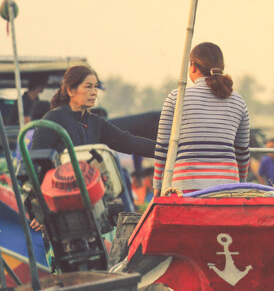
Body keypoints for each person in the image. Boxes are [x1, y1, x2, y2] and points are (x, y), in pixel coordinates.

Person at [153, 42, 250, 194]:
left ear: (192, 66)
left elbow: (162, 149)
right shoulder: (238, 101)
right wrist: (240, 186)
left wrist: (158, 188)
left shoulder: (176, 97)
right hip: (228, 189)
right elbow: (242, 153)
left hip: (183, 189)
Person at [30, 66, 156, 166]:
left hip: (90, 190)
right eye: (88, 87)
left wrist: (167, 150)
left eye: (95, 87)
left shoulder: (96, 123)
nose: (94, 92)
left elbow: (129, 142)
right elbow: (36, 160)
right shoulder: (53, 119)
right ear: (71, 90)